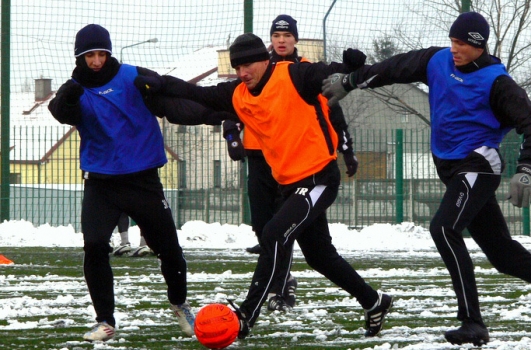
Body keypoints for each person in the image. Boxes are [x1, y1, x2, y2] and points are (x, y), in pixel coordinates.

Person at [322, 11, 531, 346]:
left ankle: (473, 322)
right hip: (453, 169)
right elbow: (393, 68)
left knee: (443, 228)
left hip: (478, 164)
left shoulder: (498, 83)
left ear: (479, 46)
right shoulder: (437, 60)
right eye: (452, 41)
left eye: (461, 44)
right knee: (505, 257)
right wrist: (351, 80)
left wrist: (527, 168)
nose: (454, 49)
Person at [134, 32, 392, 340]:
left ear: (264, 59)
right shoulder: (239, 93)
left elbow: (326, 72)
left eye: (248, 65)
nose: (243, 73)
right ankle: (374, 302)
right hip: (290, 184)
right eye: (237, 67)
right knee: (320, 256)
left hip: (319, 178)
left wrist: (349, 65)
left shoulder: (294, 74)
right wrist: (159, 84)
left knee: (273, 233)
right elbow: (196, 95)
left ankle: (246, 316)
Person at [47, 24, 221, 342]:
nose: (97, 61)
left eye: (102, 53)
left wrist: (216, 114)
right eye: (90, 55)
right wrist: (67, 101)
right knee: (95, 246)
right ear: (80, 57)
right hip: (101, 184)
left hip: (143, 180)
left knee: (168, 250)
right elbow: (60, 111)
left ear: (109, 53)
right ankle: (105, 320)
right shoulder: (74, 87)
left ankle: (180, 304)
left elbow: (172, 101)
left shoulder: (132, 76)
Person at [223, 14, 359, 312]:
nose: (281, 40)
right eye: (276, 35)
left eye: (287, 35)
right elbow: (232, 101)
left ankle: (273, 293)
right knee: (266, 228)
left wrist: (346, 149)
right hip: (262, 160)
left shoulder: (302, 72)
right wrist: (232, 133)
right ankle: (282, 282)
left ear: (295, 39)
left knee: (280, 231)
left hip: (304, 166)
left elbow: (332, 110)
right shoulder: (254, 68)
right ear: (269, 40)